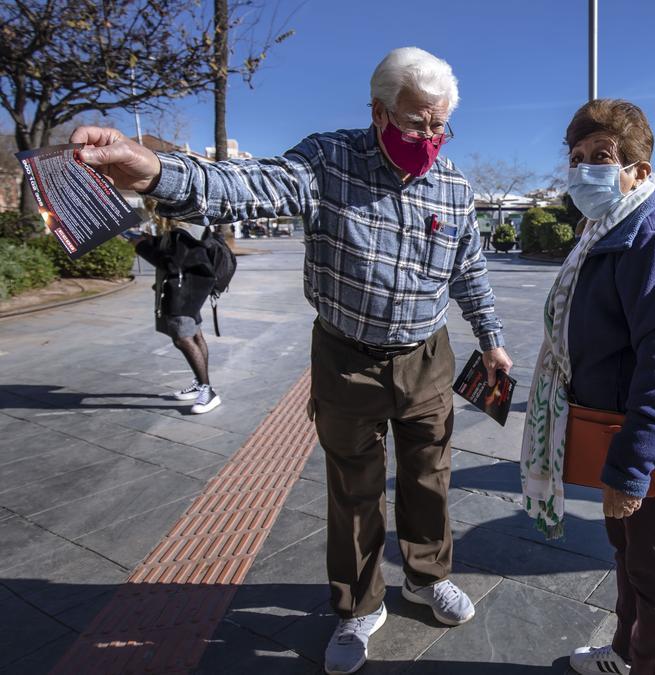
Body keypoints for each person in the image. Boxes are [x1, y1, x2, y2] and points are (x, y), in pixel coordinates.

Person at [71, 47, 513, 675]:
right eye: (418, 122)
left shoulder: (455, 186)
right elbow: (248, 187)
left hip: (426, 358)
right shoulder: (329, 159)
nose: (431, 137)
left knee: (428, 477)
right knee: (354, 489)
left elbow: (470, 269)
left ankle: (426, 574)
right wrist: (152, 173)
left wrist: (491, 336)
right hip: (346, 357)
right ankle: (359, 605)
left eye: (441, 125)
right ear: (379, 111)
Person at [519, 99, 655, 675]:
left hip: (649, 442)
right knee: (629, 559)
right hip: (613, 430)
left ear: (638, 169)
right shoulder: (603, 228)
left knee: (653, 577)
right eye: (577, 157)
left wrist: (632, 466)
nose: (584, 169)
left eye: (601, 156)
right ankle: (626, 652)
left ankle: (645, 666)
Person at [133, 224, 222, 415]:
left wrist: (141, 246)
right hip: (193, 289)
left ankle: (208, 391)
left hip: (182, 292)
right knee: (195, 335)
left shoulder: (183, 230)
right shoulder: (189, 226)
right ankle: (201, 384)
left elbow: (172, 264)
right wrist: (154, 241)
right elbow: (181, 254)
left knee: (183, 339)